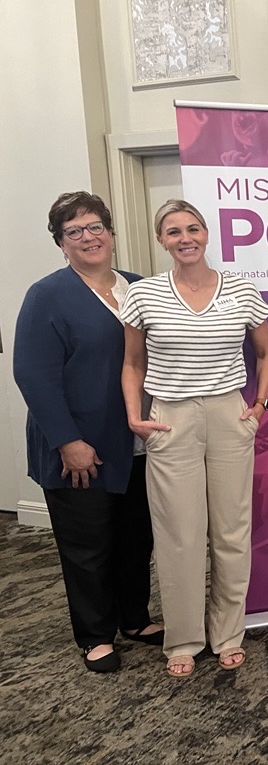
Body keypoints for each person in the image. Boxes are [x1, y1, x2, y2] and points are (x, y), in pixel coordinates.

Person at [121, 199, 268, 678]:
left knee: (231, 530)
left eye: (192, 228)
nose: (184, 238)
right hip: (171, 418)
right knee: (179, 535)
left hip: (229, 414)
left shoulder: (242, 289)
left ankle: (228, 634)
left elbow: (266, 353)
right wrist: (134, 416)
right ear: (161, 240)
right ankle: (184, 640)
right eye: (173, 231)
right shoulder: (143, 294)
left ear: (206, 234)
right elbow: (132, 363)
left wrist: (260, 405)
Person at [12, 191, 164, 673]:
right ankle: (95, 635)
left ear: (111, 233)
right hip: (79, 446)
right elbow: (33, 375)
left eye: (95, 226)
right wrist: (68, 442)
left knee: (136, 538)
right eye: (74, 231)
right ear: (61, 242)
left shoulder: (139, 287)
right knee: (88, 545)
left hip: (137, 441)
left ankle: (134, 619)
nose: (87, 237)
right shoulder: (47, 295)